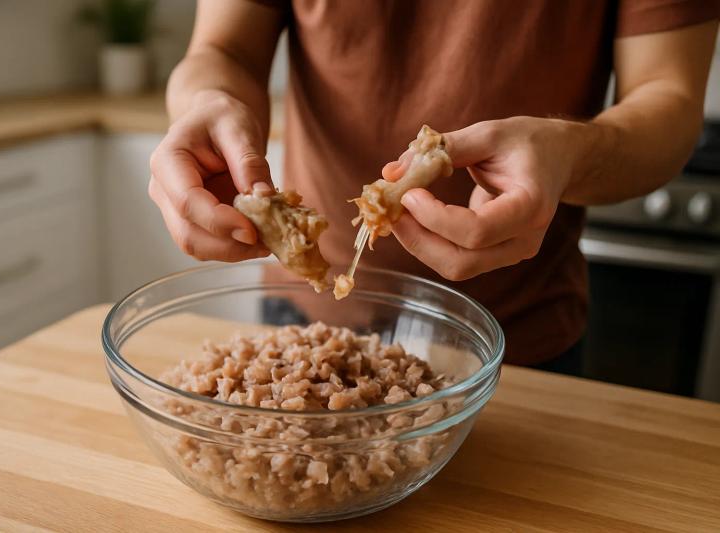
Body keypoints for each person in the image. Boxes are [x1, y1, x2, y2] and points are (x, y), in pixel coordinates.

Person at [148, 0, 719, 372]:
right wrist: (206, 104)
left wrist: (568, 155)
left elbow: (668, 98)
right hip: (303, 325)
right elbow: (222, 50)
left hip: (519, 341)